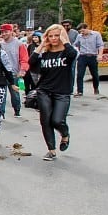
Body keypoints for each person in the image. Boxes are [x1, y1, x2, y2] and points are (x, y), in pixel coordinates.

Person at [29, 24, 78, 161]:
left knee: (57, 120)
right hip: (44, 90)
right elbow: (31, 63)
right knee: (45, 120)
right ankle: (51, 150)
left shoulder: (67, 52)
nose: (54, 38)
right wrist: (41, 45)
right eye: (50, 36)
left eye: (57, 35)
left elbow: (73, 55)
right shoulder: (45, 53)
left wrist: (65, 41)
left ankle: (65, 134)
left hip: (62, 91)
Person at [0, 24, 28, 118]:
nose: (4, 34)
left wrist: (23, 70)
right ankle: (1, 113)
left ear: (11, 32)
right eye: (2, 32)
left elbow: (24, 58)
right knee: (1, 94)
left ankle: (17, 110)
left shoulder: (19, 44)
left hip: (14, 73)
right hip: (1, 73)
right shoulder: (0, 45)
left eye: (6, 32)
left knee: (15, 94)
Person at [73, 22, 104, 96]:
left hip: (92, 56)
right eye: (80, 32)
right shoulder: (79, 36)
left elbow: (100, 45)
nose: (82, 33)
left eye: (83, 31)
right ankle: (80, 91)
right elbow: (75, 44)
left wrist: (100, 55)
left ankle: (96, 88)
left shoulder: (96, 34)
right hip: (82, 56)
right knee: (80, 74)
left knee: (94, 74)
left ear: (87, 28)